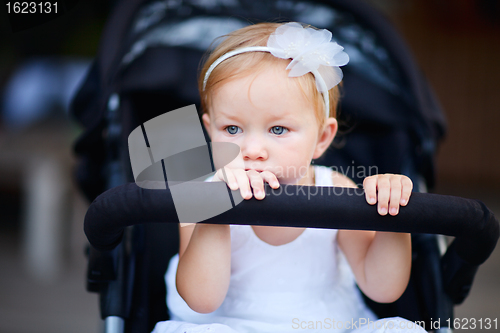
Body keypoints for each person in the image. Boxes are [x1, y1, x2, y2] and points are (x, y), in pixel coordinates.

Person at [152, 22, 426, 333]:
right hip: (230, 323)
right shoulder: (201, 194)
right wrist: (216, 212)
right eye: (231, 129)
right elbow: (202, 300)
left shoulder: (335, 190)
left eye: (278, 129)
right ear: (208, 129)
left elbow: (383, 288)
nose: (252, 150)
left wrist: (392, 214)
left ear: (322, 138)